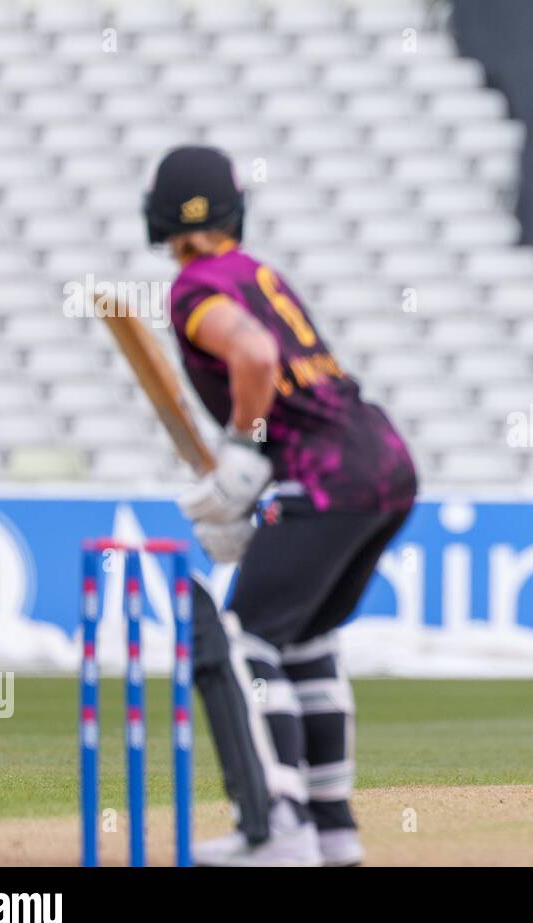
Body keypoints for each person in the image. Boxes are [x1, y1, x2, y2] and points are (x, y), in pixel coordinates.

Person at [142, 145, 418, 863]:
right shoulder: (256, 271)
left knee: (244, 639)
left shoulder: (195, 287)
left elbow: (257, 358)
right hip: (382, 459)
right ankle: (332, 834)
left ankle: (280, 824)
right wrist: (260, 487)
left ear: (161, 218)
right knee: (303, 642)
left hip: (327, 474)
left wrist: (237, 452)